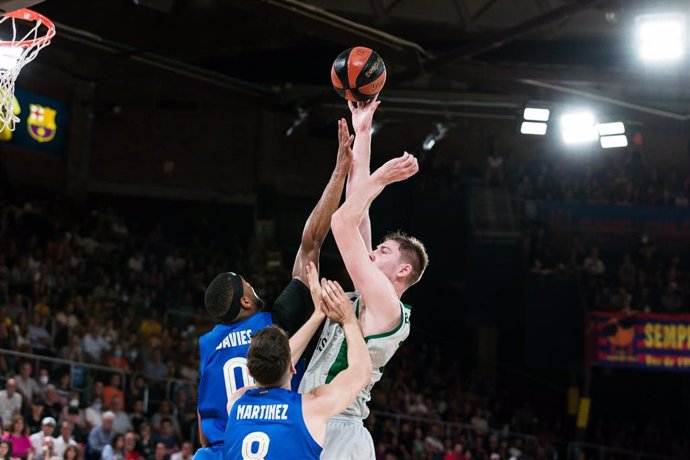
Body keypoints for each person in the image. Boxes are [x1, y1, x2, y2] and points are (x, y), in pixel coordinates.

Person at [195, 120, 354, 459]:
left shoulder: (208, 344)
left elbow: (202, 422)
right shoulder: (272, 329)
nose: (253, 282)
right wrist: (340, 170)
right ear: (246, 299)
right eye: (248, 283)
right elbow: (311, 242)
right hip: (268, 438)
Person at [299, 102, 428, 459]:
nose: (372, 252)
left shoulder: (388, 307)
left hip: (340, 431)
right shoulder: (370, 294)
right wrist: (365, 130)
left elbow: (343, 223)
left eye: (383, 251)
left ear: (404, 270)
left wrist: (383, 178)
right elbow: (358, 208)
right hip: (315, 419)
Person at [223, 275, 371, 460]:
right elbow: (362, 371)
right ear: (293, 368)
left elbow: (271, 364)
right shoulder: (310, 407)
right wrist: (348, 318)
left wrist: (318, 316)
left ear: (249, 371)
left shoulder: (236, 402)